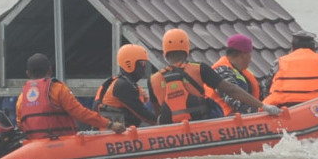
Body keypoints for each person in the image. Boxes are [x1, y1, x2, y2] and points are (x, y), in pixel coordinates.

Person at [148, 28, 280, 124]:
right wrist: (263, 106)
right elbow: (231, 90)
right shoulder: (200, 68)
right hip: (202, 126)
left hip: (170, 134)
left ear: (165, 52)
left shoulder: (153, 80)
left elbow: (157, 114)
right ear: (187, 50)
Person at [16, 53, 125, 138]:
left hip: (33, 147)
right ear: (50, 70)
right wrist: (110, 125)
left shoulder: (22, 98)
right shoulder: (58, 89)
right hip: (62, 143)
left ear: (28, 74)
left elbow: (21, 125)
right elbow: (80, 113)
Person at [92, 44, 157, 127]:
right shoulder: (122, 86)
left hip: (118, 133)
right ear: (129, 63)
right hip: (112, 135)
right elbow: (145, 115)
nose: (144, 67)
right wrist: (165, 122)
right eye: (142, 63)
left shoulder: (126, 84)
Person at [206, 34, 262, 117]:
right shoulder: (221, 71)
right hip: (224, 122)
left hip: (240, 120)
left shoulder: (240, 72)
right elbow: (235, 101)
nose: (250, 59)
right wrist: (262, 109)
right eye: (250, 54)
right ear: (244, 55)